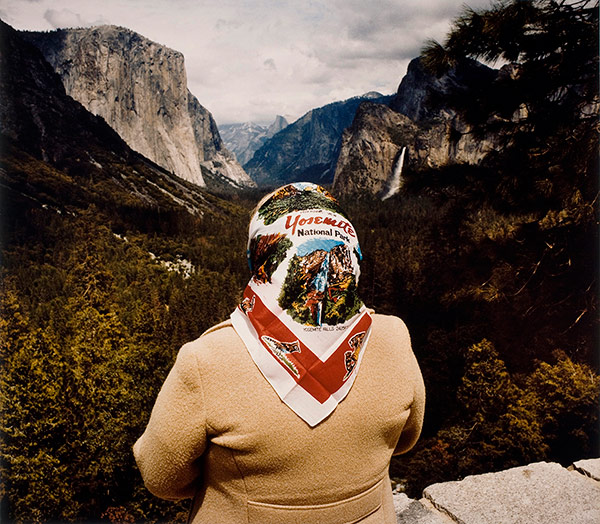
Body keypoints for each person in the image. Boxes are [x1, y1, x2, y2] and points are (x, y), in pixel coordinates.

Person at [134, 182, 425, 523]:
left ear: (261, 255)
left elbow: (161, 478)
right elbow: (406, 439)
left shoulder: (206, 360)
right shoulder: (394, 337)